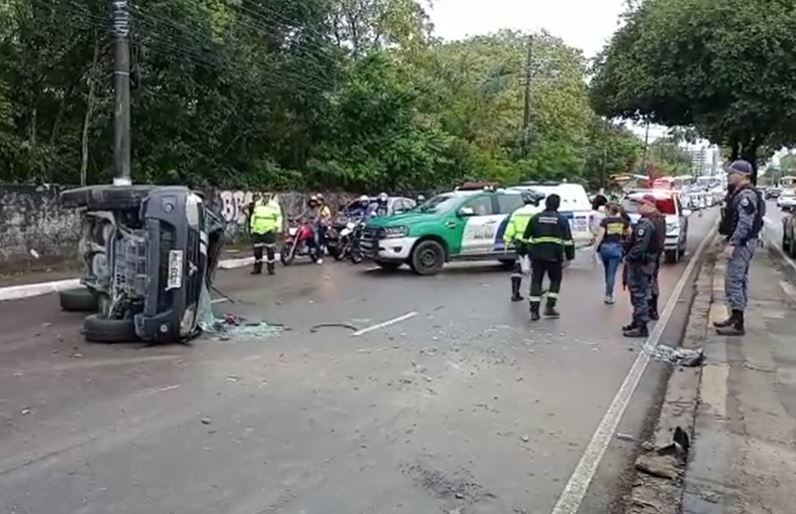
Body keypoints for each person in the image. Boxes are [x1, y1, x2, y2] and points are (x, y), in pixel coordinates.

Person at [714, 160, 764, 336]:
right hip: (743, 242)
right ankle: (735, 317)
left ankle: (737, 323)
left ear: (742, 175)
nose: (729, 176)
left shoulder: (746, 196)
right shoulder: (741, 193)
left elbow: (745, 223)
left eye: (732, 173)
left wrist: (733, 243)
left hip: (743, 243)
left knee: (734, 280)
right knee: (737, 279)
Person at [522, 194, 575, 321]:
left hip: (537, 255)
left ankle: (534, 311)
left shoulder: (535, 218)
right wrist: (569, 257)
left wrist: (524, 252)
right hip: (555, 256)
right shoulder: (561, 220)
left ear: (545, 204)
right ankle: (550, 307)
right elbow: (568, 241)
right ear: (558, 204)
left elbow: (525, 237)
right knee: (555, 281)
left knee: (536, 281)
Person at [622, 195, 662, 338]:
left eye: (641, 204)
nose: (638, 207)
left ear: (650, 206)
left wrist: (629, 257)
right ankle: (636, 322)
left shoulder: (646, 224)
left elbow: (640, 246)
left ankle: (641, 326)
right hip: (646, 263)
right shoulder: (653, 220)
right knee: (637, 294)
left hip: (641, 264)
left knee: (640, 295)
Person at [503, 191, 542, 302]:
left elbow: (510, 228)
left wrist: (507, 240)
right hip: (534, 243)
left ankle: (515, 293)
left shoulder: (517, 212)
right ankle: (535, 291)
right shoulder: (538, 212)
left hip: (520, 243)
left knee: (518, 267)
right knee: (536, 268)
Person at [593, 203, 630, 304]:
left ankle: (608, 292)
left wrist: (595, 248)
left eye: (605, 209)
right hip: (616, 248)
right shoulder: (623, 222)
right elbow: (630, 233)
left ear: (609, 210)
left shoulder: (605, 222)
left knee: (607, 271)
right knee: (612, 273)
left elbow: (600, 236)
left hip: (605, 248)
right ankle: (609, 295)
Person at [249, 194, 283, 275]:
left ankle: (271, 269)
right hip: (257, 230)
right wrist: (252, 227)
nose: (266, 197)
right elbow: (253, 216)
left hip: (269, 230)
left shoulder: (274, 205)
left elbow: (279, 217)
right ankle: (257, 269)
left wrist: (276, 227)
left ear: (270, 196)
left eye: (267, 196)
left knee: (270, 251)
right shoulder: (257, 204)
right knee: (257, 251)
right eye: (264, 196)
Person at [647, 199, 667, 320]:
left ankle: (651, 309)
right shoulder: (659, 218)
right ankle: (652, 309)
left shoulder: (654, 220)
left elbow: (657, 240)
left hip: (651, 255)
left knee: (649, 282)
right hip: (656, 254)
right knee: (653, 281)